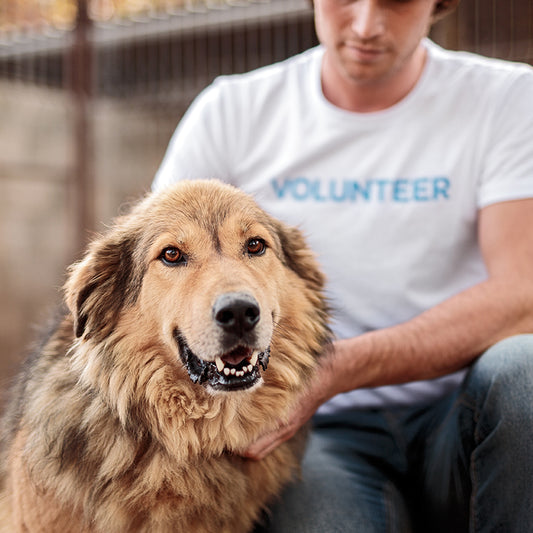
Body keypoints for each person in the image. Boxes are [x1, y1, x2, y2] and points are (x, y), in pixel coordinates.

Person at [152, 0, 533, 530]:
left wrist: (332, 371)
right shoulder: (231, 112)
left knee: (527, 371)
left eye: (396, 2)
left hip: (463, 404)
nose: (365, 25)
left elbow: (522, 296)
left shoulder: (509, 99)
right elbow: (157, 266)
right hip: (317, 431)